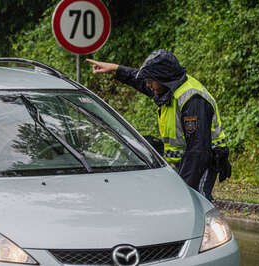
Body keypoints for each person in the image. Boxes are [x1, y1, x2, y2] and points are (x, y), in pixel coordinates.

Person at [87, 49, 231, 201]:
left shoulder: (192, 100)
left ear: (163, 79)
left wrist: (184, 190)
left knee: (197, 202)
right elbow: (141, 82)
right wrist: (116, 68)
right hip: (182, 161)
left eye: (151, 80)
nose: (148, 85)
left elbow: (198, 152)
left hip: (203, 162)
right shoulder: (167, 89)